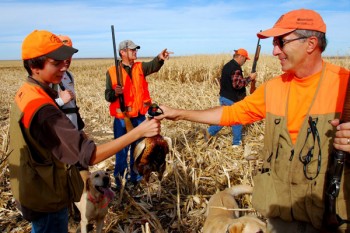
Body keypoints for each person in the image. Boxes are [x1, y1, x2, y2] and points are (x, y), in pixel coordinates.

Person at [155, 9, 350, 233]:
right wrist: (178, 113)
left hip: (330, 216)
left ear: (311, 43)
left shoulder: (345, 86)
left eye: (281, 42)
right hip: (282, 214)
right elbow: (231, 114)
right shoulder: (274, 88)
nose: (275, 50)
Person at [8, 30, 160, 233]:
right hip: (46, 197)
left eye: (66, 59)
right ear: (34, 66)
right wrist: (138, 132)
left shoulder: (28, 91)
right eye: (56, 62)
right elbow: (90, 155)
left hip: (36, 188)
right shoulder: (42, 108)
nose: (65, 65)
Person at [105, 39, 172, 186]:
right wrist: (115, 93)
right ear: (122, 52)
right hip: (122, 120)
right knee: (121, 151)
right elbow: (108, 96)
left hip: (140, 118)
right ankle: (120, 180)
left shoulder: (140, 67)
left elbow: (153, 66)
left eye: (136, 50)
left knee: (140, 151)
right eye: (132, 50)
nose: (135, 52)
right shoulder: (112, 72)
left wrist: (160, 58)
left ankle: (136, 178)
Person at [204, 48, 256, 147]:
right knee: (237, 120)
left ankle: (210, 132)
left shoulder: (227, 65)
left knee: (226, 118)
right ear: (241, 57)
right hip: (232, 98)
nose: (245, 62)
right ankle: (236, 143)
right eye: (245, 59)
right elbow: (237, 84)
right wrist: (250, 78)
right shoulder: (235, 68)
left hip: (225, 96)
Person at [51, 34, 84, 130]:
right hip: (59, 130)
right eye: (63, 53)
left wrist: (80, 128)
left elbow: (72, 106)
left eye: (69, 53)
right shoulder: (48, 77)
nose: (67, 58)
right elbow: (42, 110)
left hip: (73, 128)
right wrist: (61, 101)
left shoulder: (69, 75)